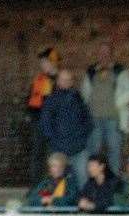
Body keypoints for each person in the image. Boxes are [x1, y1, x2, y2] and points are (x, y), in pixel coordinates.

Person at [81, 41, 129, 176]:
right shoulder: (91, 71)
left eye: (106, 52)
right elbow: (84, 93)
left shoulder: (121, 71)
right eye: (101, 52)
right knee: (94, 151)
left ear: (111, 54)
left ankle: (114, 182)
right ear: (98, 54)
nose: (104, 55)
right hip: (94, 118)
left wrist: (116, 104)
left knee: (115, 151)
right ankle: (95, 181)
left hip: (114, 118)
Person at [39, 69, 92, 187]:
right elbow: (45, 124)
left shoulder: (79, 99)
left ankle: (81, 204)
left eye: (68, 80)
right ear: (58, 81)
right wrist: (55, 142)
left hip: (78, 149)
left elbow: (87, 121)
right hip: (59, 149)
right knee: (57, 182)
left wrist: (82, 139)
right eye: (63, 80)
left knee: (82, 180)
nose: (66, 82)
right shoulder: (51, 100)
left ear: (72, 82)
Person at [26, 47, 59, 183]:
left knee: (53, 156)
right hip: (39, 122)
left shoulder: (60, 80)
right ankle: (36, 187)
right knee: (37, 155)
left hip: (53, 124)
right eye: (42, 62)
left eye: (45, 62)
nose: (42, 65)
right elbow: (31, 99)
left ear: (53, 62)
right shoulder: (39, 79)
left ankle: (54, 186)